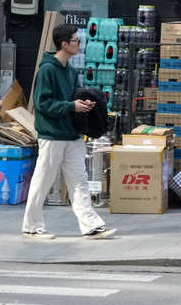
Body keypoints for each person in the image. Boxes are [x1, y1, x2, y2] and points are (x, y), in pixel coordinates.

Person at [21, 24, 115, 241]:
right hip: (52, 135)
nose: (79, 44)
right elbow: (42, 103)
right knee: (43, 181)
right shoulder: (47, 70)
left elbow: (73, 96)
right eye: (76, 41)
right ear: (64, 44)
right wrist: (72, 106)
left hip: (72, 135)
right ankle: (31, 226)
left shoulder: (71, 71)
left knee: (80, 181)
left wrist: (84, 102)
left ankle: (90, 226)